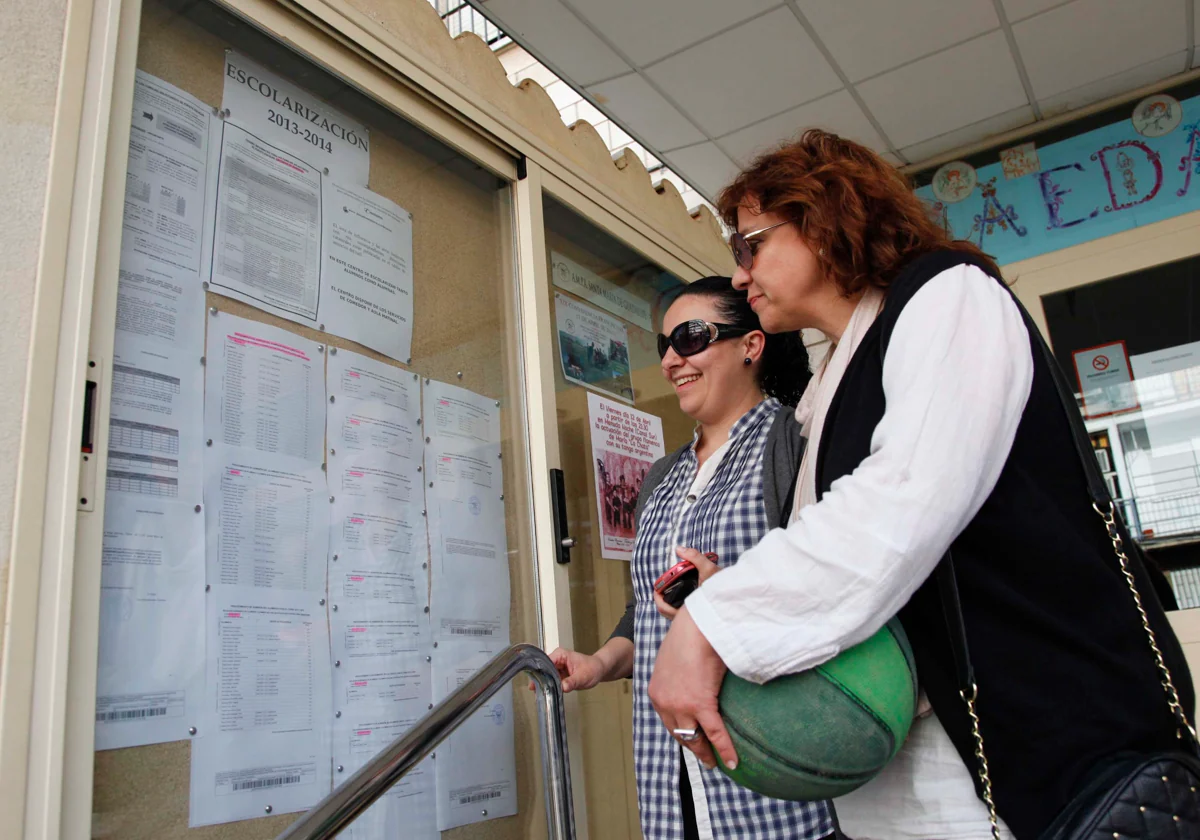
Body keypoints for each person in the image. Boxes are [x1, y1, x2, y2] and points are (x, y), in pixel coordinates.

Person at [647, 130, 1195, 840]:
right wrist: (726, 588)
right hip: (905, 788)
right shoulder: (831, 383)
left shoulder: (949, 295)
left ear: (823, 217)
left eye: (751, 245)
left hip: (1021, 771)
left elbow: (901, 504)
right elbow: (872, 565)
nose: (741, 275)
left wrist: (713, 626)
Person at [545, 276, 835, 840]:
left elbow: (835, 588)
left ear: (751, 345)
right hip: (672, 766)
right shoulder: (662, 475)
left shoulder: (793, 444)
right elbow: (648, 612)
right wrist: (598, 664)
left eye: (692, 336)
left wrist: (725, 592)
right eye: (664, 346)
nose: (673, 358)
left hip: (765, 756)